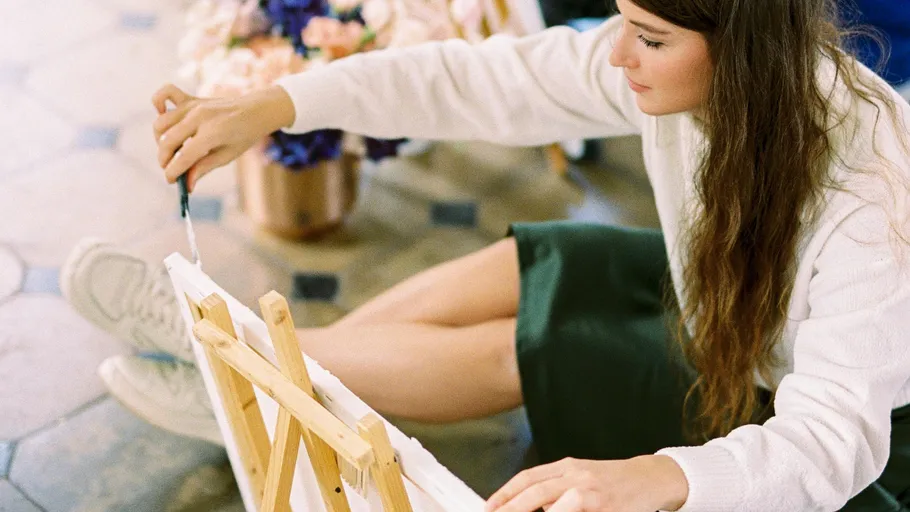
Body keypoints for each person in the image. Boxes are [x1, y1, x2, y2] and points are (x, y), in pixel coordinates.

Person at [64, 0, 910, 509]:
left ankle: (236, 366)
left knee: (542, 343)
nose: (618, 52)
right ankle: (254, 384)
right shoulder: (692, 69)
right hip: (725, 302)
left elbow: (832, 440)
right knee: (537, 261)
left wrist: (655, 480)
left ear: (747, 53)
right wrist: (278, 102)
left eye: (649, 39)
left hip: (802, 422)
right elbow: (474, 78)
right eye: (621, 20)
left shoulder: (869, 195)